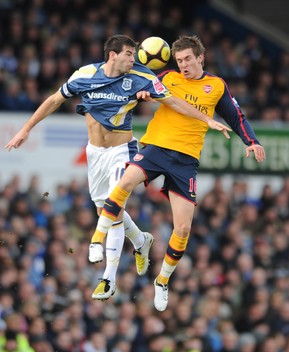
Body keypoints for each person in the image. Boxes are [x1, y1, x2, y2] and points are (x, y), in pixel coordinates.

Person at [5, 35, 229, 301]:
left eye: (135, 54)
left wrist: (207, 118)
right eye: (129, 54)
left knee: (115, 208)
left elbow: (174, 102)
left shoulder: (141, 77)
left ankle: (108, 277)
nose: (134, 59)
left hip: (122, 150)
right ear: (113, 55)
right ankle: (140, 241)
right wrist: (26, 128)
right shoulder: (85, 74)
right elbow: (55, 100)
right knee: (106, 210)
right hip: (95, 152)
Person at [89, 35, 266, 309]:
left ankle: (161, 281)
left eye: (187, 60)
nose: (183, 65)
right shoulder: (167, 77)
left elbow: (235, 116)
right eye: (179, 60)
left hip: (185, 161)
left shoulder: (216, 86)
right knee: (123, 185)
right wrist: (142, 94)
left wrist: (251, 141)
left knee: (182, 229)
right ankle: (97, 241)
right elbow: (140, 90)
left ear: (200, 58)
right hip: (155, 148)